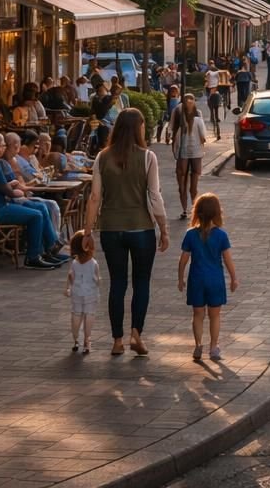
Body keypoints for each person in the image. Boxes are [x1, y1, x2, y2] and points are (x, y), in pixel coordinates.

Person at [85, 108, 170, 357]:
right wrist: (163, 228)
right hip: (141, 227)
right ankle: (136, 334)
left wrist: (88, 231)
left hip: (111, 228)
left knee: (117, 283)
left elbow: (94, 197)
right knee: (141, 282)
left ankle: (117, 340)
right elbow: (154, 196)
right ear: (137, 128)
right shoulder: (147, 157)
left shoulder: (102, 157)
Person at [0, 133, 60, 268]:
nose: (4, 148)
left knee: (40, 207)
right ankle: (33, 257)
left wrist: (11, 186)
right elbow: (9, 193)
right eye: (3, 145)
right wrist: (18, 191)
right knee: (36, 216)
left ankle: (50, 249)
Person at [177, 192, 239, 362]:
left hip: (196, 279)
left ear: (196, 212)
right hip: (215, 280)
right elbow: (228, 260)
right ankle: (213, 347)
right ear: (217, 213)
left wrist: (180, 278)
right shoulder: (221, 235)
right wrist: (234, 278)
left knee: (197, 314)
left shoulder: (190, 234)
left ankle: (198, 345)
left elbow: (183, 260)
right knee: (215, 315)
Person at [169, 93, 208, 220]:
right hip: (195, 152)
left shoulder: (179, 113)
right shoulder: (198, 117)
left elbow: (172, 131)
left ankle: (185, 209)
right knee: (193, 184)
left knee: (182, 182)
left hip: (183, 152)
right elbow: (203, 137)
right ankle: (192, 208)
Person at [65, 231, 100, 354]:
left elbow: (70, 275)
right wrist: (97, 281)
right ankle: (87, 340)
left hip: (77, 292)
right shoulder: (94, 263)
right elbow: (97, 279)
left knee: (76, 314)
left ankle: (76, 340)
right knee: (89, 314)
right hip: (90, 293)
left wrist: (68, 288)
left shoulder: (75, 263)